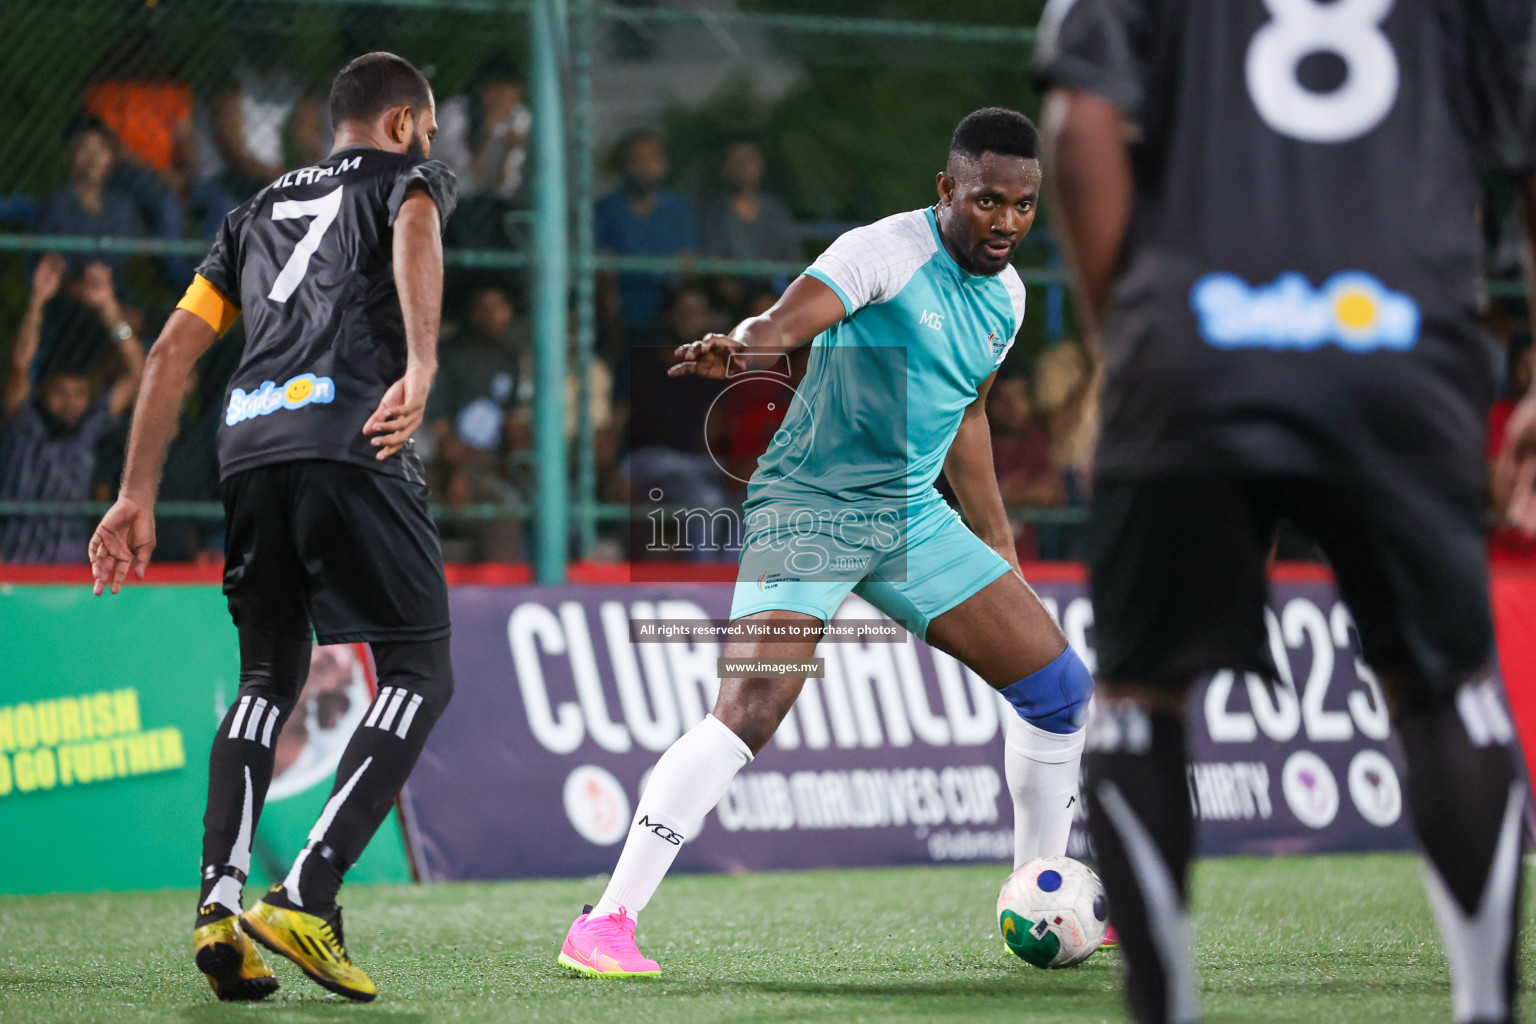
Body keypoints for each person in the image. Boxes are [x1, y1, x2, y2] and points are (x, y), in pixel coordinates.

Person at [1036, 1, 1536, 1021]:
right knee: (1447, 695)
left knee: (1140, 700)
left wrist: (1128, 339)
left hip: (1194, 346)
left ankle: (1163, 1003)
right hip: (1399, 350)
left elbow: (1080, 125)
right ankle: (1486, 1003)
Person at [558, 107, 1094, 977]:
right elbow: (784, 322)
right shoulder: (883, 250)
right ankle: (606, 921)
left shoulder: (1008, 296)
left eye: (1024, 206)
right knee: (752, 709)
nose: (1005, 223)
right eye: (988, 200)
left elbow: (969, 415)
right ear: (947, 189)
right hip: (811, 506)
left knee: (1058, 690)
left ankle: (1036, 890)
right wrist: (741, 345)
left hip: (911, 515)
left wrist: (1000, 548)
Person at [88, 52, 459, 1004]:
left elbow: (172, 349)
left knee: (265, 677)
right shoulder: (404, 178)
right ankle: (310, 890)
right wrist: (420, 365)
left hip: (249, 447)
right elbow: (418, 222)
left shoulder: (250, 215)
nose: (430, 143)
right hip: (350, 435)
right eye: (426, 128)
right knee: (419, 667)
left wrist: (135, 494)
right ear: (401, 123)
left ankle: (220, 903)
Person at [0, 254, 143, 564]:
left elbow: (140, 374)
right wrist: (37, 301)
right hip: (15, 564)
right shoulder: (25, 421)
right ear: (43, 391)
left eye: (78, 394)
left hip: (71, 569)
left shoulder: (90, 423)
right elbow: (19, 367)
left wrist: (108, 307)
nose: (69, 403)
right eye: (60, 392)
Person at [595, 131, 698, 352]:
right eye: (638, 158)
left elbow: (688, 264)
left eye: (653, 157)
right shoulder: (606, 209)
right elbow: (603, 265)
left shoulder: (678, 209)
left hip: (669, 307)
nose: (646, 166)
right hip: (624, 309)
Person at [984, 371, 1067, 562]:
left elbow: (1054, 492)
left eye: (1019, 398)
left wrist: (1012, 495)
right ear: (987, 402)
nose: (1012, 408)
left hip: (1029, 563)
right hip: (979, 562)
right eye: (1003, 399)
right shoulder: (970, 439)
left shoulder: (1033, 438)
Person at [1489, 331, 1536, 563]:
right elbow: (1499, 491)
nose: (1529, 375)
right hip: (1518, 540)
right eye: (1525, 367)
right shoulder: (1505, 415)